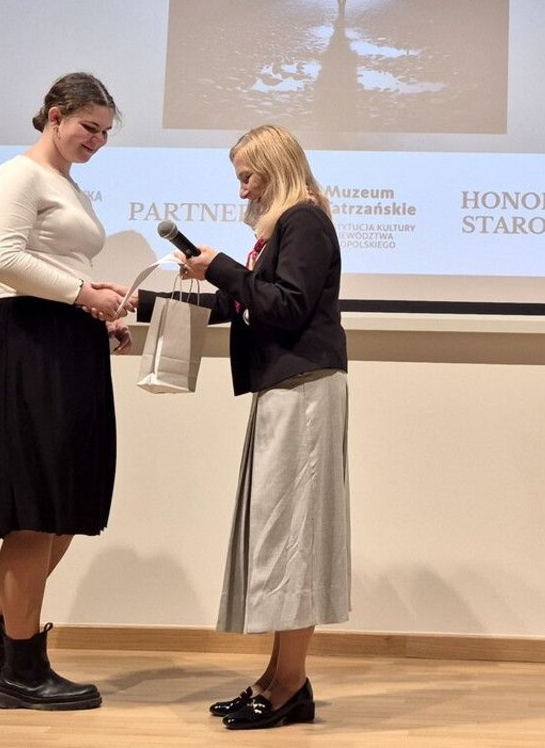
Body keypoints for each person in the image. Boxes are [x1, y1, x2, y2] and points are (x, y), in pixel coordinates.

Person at [144, 124, 349, 731]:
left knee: (294, 538)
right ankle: (278, 679)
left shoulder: (304, 221)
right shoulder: (283, 228)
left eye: (248, 177)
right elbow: (242, 304)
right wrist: (140, 303)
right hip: (285, 389)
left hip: (304, 391)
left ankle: (288, 686)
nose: (242, 191)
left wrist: (222, 268)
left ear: (276, 168)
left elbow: (286, 305)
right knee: (280, 534)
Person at [0, 72, 132, 711]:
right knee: (33, 511)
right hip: (29, 344)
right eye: (89, 127)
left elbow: (60, 265)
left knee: (64, 506)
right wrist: (83, 294)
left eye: (106, 132)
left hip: (66, 343)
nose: (97, 140)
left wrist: (96, 307)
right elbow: (2, 260)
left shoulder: (67, 185)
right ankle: (21, 672)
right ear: (55, 116)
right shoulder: (19, 175)